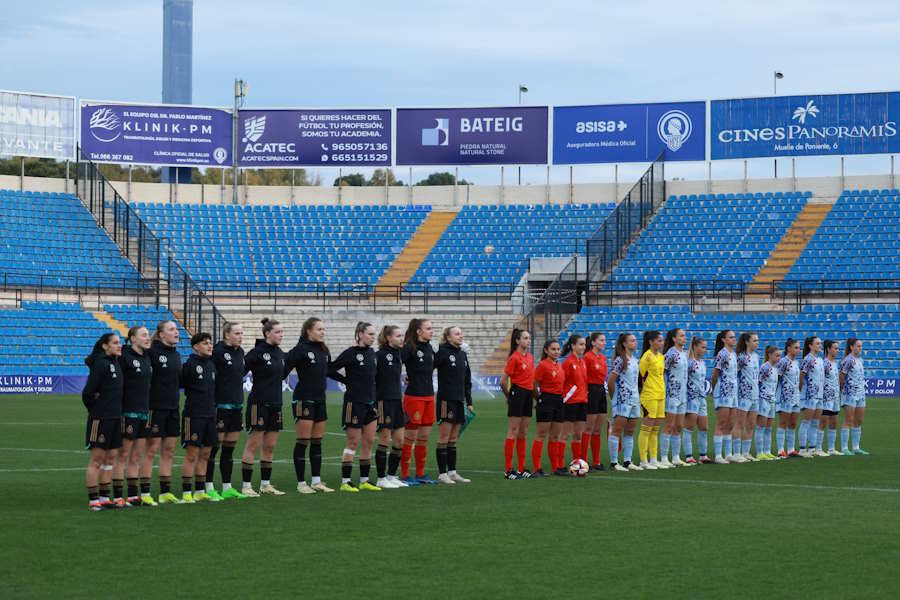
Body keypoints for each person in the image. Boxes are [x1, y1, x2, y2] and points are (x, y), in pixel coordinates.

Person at [328, 322, 382, 492]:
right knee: (353, 442)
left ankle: (364, 480)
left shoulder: (373, 353)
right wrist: (345, 381)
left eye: (374, 334)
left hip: (370, 403)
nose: (373, 337)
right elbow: (330, 369)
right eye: (370, 334)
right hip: (354, 403)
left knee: (369, 442)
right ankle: (345, 481)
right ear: (360, 334)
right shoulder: (350, 353)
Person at [284, 317, 334, 493]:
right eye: (319, 329)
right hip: (303, 399)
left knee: (317, 442)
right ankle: (301, 484)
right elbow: (283, 370)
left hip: (321, 399)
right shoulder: (300, 350)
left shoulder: (323, 350)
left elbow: (330, 371)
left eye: (323, 329)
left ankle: (316, 481)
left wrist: (349, 380)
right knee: (303, 441)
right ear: (308, 331)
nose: (322, 332)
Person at [240, 318, 287, 497]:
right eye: (277, 332)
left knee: (270, 447)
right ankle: (246, 486)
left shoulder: (281, 354)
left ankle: (265, 484)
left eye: (282, 332)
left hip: (276, 405)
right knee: (253, 445)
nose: (281, 335)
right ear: (267, 333)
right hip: (258, 404)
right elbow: (239, 372)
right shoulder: (256, 353)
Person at [141, 320, 183, 504]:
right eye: (172, 329)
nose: (176, 332)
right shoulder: (151, 353)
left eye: (177, 329)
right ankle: (144, 493)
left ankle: (165, 492)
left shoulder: (177, 355)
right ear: (161, 334)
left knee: (169, 450)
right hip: (155, 408)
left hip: (174, 408)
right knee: (151, 451)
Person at [83, 333, 123, 510]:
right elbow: (87, 392)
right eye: (115, 343)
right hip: (101, 418)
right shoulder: (100, 363)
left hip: (116, 418)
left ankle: (105, 497)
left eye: (119, 343)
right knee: (97, 459)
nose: (119, 345)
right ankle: (93, 500)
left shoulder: (115, 362)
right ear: (105, 346)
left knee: (111, 458)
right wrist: (96, 410)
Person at [114, 326, 153, 507]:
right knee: (123, 455)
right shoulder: (124, 357)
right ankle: (117, 497)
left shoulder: (146, 358)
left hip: (144, 412)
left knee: (136, 457)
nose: (148, 338)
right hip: (128, 413)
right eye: (144, 335)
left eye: (148, 335)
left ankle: (132, 496)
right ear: (132, 339)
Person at [179, 332, 220, 503]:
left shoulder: (211, 365)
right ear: (195, 346)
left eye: (210, 343)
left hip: (210, 415)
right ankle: (187, 493)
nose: (209, 346)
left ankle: (200, 490)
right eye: (205, 343)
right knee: (192, 454)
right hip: (194, 415)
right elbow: (181, 384)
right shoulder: (189, 365)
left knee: (206, 454)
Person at [210, 322, 246, 500]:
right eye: (237, 333)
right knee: (213, 448)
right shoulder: (217, 352)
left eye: (242, 333)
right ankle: (208, 486)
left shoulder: (240, 352)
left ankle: (227, 487)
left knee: (229, 449)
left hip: (237, 404)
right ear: (227, 335)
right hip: (220, 405)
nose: (241, 336)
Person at [434, 326, 474, 484]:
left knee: (453, 438)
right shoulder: (442, 352)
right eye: (457, 333)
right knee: (443, 437)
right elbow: (427, 368)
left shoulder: (463, 354)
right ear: (448, 337)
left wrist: (469, 402)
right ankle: (442, 474)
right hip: (446, 400)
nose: (460, 336)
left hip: (459, 401)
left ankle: (452, 472)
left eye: (461, 333)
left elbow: (467, 381)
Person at [401, 318, 437, 485]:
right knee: (410, 437)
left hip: (429, 397)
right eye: (428, 328)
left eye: (432, 328)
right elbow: (394, 363)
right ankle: (405, 474)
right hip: (414, 398)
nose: (432, 331)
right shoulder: (409, 348)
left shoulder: (429, 348)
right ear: (418, 331)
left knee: (424, 437)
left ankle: (421, 474)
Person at [374, 325, 409, 488]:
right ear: (388, 338)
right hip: (384, 402)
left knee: (400, 441)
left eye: (402, 335)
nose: (401, 338)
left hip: (397, 401)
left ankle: (392, 476)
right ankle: (381, 478)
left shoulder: (399, 354)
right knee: (384, 440)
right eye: (398, 336)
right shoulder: (379, 355)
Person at [501, 328, 534, 478]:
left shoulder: (530, 357)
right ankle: (508, 470)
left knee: (523, 432)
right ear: (517, 341)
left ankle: (522, 468)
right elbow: (503, 381)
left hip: (527, 394)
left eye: (529, 338)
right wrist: (509, 396)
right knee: (513, 431)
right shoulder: (514, 358)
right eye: (525, 338)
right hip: (517, 393)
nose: (528, 340)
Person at [607, 333, 641, 471]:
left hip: (634, 399)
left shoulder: (634, 360)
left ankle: (627, 461)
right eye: (632, 341)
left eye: (635, 340)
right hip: (623, 399)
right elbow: (611, 381)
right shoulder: (620, 360)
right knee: (616, 430)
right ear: (624, 344)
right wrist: (613, 397)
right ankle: (614, 462)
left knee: (630, 431)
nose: (635, 342)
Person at [533, 340, 565, 476]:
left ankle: (555, 468)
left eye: (558, 349)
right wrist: (539, 399)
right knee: (541, 435)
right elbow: (533, 384)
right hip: (546, 400)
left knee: (555, 436)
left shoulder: (559, 365)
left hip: (559, 400)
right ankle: (537, 469)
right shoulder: (542, 365)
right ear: (546, 350)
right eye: (553, 349)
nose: (556, 351)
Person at [661, 328, 691, 467]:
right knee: (669, 425)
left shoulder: (684, 353)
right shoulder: (671, 354)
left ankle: (676, 457)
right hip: (672, 394)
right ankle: (664, 457)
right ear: (674, 339)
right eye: (681, 335)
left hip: (683, 395)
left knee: (679, 426)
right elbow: (662, 371)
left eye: (684, 335)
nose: (684, 337)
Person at [638, 330, 668, 469]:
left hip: (661, 395)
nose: (661, 343)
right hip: (649, 395)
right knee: (646, 428)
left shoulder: (661, 357)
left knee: (655, 429)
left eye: (662, 340)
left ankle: (654, 459)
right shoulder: (647, 357)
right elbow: (640, 376)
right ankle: (644, 460)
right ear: (651, 342)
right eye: (659, 340)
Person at [710, 329, 740, 464]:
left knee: (730, 423)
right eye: (731, 337)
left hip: (733, 392)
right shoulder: (722, 354)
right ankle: (718, 455)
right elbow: (715, 374)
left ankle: (728, 454)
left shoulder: (733, 354)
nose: (734, 339)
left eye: (734, 337)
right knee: (721, 423)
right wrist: (714, 388)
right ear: (724, 340)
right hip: (724, 392)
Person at [560, 334, 588, 470]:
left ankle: (577, 463)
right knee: (565, 435)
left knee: (578, 435)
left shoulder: (582, 362)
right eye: (580, 344)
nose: (583, 347)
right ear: (573, 346)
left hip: (582, 401)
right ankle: (559, 465)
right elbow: (561, 382)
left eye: (584, 344)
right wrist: (564, 399)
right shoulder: (568, 363)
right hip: (570, 403)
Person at [582, 332, 608, 471]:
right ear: (593, 343)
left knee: (598, 429)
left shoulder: (603, 357)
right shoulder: (587, 357)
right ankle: (584, 461)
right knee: (588, 428)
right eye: (601, 340)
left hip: (601, 391)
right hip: (590, 391)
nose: (604, 342)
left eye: (604, 340)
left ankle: (596, 462)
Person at [839, 338, 868, 455]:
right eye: (858, 346)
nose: (860, 348)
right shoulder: (848, 360)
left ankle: (856, 447)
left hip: (861, 393)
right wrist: (841, 391)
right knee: (848, 420)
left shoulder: (860, 360)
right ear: (851, 347)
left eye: (861, 346)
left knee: (859, 420)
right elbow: (841, 376)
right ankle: (844, 448)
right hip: (850, 393)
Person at [735, 332, 760, 461]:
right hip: (744, 395)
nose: (757, 342)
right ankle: (736, 453)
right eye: (754, 340)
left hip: (755, 395)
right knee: (739, 424)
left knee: (750, 425)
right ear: (747, 342)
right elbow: (734, 374)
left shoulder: (756, 356)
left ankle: (746, 452)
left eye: (757, 340)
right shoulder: (741, 357)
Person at [684, 337, 710, 464]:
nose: (705, 350)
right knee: (689, 427)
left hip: (701, 398)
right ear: (695, 347)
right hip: (691, 398)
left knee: (704, 427)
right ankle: (688, 456)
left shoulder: (702, 363)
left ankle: (703, 455)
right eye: (703, 347)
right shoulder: (689, 363)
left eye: (705, 347)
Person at [775, 338, 802, 458]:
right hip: (785, 397)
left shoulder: (796, 363)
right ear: (789, 348)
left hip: (796, 397)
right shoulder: (783, 362)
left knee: (792, 424)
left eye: (799, 348)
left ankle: (791, 449)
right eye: (796, 348)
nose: (798, 350)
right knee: (783, 423)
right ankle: (780, 450)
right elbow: (777, 378)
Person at [798, 336, 824, 458]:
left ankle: (812, 448)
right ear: (810, 346)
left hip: (819, 395)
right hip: (809, 395)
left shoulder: (819, 359)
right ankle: (802, 449)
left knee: (815, 422)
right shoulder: (808, 359)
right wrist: (801, 391)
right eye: (817, 343)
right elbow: (802, 375)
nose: (820, 345)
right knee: (806, 421)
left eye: (820, 343)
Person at [755, 345, 781, 460]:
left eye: (780, 356)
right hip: (763, 399)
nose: (779, 358)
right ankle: (759, 452)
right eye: (777, 355)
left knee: (769, 428)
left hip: (772, 400)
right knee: (761, 426)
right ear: (770, 355)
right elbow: (758, 382)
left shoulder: (775, 369)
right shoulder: (765, 367)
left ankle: (767, 451)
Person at [820, 340, 841, 456]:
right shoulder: (825, 363)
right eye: (835, 348)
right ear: (828, 349)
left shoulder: (834, 363)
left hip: (835, 397)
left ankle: (831, 449)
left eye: (838, 348)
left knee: (833, 422)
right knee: (823, 422)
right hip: (826, 397)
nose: (837, 350)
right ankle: (818, 448)